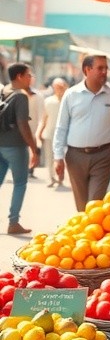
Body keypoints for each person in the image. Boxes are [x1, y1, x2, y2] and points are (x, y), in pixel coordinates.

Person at [53, 55, 110, 211]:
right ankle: (86, 227)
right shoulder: (71, 94)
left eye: (106, 68)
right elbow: (61, 127)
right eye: (100, 68)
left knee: (94, 204)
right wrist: (58, 156)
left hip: (103, 156)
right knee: (81, 206)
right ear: (87, 70)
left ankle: (92, 225)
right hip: (75, 157)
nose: (104, 72)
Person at [0, 62, 39, 234]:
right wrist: (34, 148)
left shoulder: (4, 91)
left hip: (0, 145)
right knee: (20, 183)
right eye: (28, 75)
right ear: (19, 76)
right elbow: (23, 124)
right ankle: (13, 222)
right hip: (16, 146)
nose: (31, 78)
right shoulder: (21, 96)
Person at [36, 78, 68, 187]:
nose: (60, 89)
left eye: (62, 86)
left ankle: (60, 177)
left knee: (62, 157)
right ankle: (52, 178)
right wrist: (39, 133)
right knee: (49, 158)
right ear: (54, 87)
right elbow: (44, 119)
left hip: (64, 136)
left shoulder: (68, 100)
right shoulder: (48, 101)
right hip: (49, 134)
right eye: (57, 87)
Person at [25, 79, 44, 178]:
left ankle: (31, 170)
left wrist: (39, 130)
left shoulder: (38, 96)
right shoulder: (18, 94)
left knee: (33, 149)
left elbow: (41, 115)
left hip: (34, 128)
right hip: (21, 127)